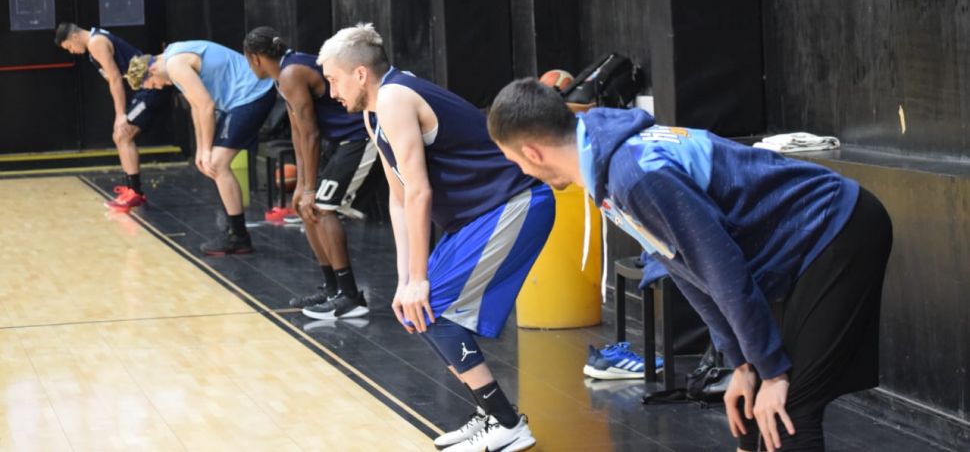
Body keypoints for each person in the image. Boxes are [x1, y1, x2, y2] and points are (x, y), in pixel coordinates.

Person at [487, 78, 893, 452]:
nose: (522, 171)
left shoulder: (636, 175)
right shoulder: (607, 166)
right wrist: (741, 363)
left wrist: (771, 372)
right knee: (752, 407)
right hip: (801, 244)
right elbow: (687, 272)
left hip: (839, 229)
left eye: (513, 160)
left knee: (787, 413)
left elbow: (724, 273)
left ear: (531, 152)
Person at [317, 24, 555, 452]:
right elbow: (398, 198)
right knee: (417, 311)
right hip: (478, 215)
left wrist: (420, 278)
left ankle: (507, 423)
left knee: (435, 309)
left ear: (360, 74)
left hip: (514, 202)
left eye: (334, 80)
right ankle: (490, 413)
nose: (331, 92)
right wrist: (405, 279)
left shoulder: (394, 98)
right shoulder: (374, 111)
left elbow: (420, 192)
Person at [244, 26, 376, 319]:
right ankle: (332, 289)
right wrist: (303, 185)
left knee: (323, 207)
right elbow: (297, 133)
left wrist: (311, 189)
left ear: (254, 58)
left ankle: (350, 296)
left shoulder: (292, 73)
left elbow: (312, 134)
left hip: (360, 137)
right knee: (308, 209)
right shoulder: (283, 74)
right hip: (341, 143)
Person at [126, 40, 276, 256]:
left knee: (216, 163)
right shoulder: (171, 58)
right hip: (242, 97)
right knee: (212, 163)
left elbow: (206, 106)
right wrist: (200, 149)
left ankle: (238, 236)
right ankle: (233, 228)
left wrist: (206, 150)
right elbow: (196, 108)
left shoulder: (175, 65)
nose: (159, 87)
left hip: (253, 93)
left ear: (152, 71)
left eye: (154, 84)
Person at [55, 23, 171, 210]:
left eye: (69, 47)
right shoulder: (95, 41)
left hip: (151, 85)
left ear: (75, 36)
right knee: (119, 136)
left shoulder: (96, 43)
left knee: (123, 134)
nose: (72, 51)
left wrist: (120, 115)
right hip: (142, 87)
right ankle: (132, 190)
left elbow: (115, 79)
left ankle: (135, 193)